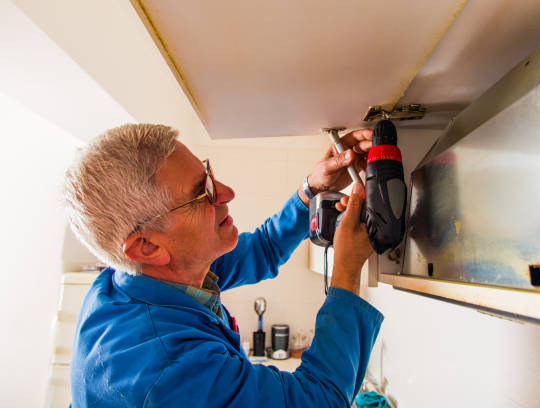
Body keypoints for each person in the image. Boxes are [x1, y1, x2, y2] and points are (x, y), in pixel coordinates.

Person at [64, 123, 383, 407]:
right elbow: (320, 401)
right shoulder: (167, 373)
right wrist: (347, 269)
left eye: (208, 175)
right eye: (201, 193)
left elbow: (264, 249)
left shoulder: (145, 277)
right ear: (147, 246)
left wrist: (312, 187)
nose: (227, 193)